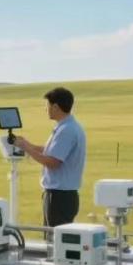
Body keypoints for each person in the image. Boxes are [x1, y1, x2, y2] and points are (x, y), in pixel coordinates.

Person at [14, 86, 86, 228]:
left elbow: (53, 161)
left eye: (47, 106)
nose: (45, 109)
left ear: (55, 107)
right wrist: (29, 145)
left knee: (54, 241)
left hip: (59, 197)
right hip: (63, 196)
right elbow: (51, 151)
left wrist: (26, 148)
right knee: (54, 238)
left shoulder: (66, 130)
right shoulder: (67, 126)